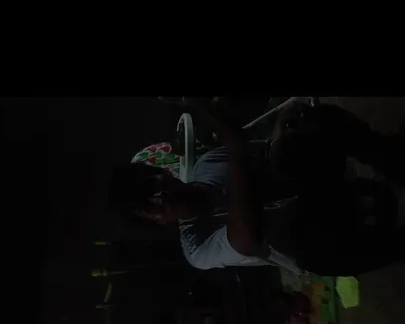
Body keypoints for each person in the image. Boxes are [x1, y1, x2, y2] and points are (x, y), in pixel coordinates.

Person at [109, 98, 405, 277]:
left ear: (163, 172)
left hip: (319, 189)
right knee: (282, 230)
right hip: (317, 240)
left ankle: (392, 160)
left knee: (308, 124)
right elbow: (247, 238)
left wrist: (285, 126)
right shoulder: (196, 249)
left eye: (152, 182)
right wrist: (235, 148)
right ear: (157, 220)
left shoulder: (208, 163)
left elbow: (273, 151)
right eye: (149, 205)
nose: (158, 195)